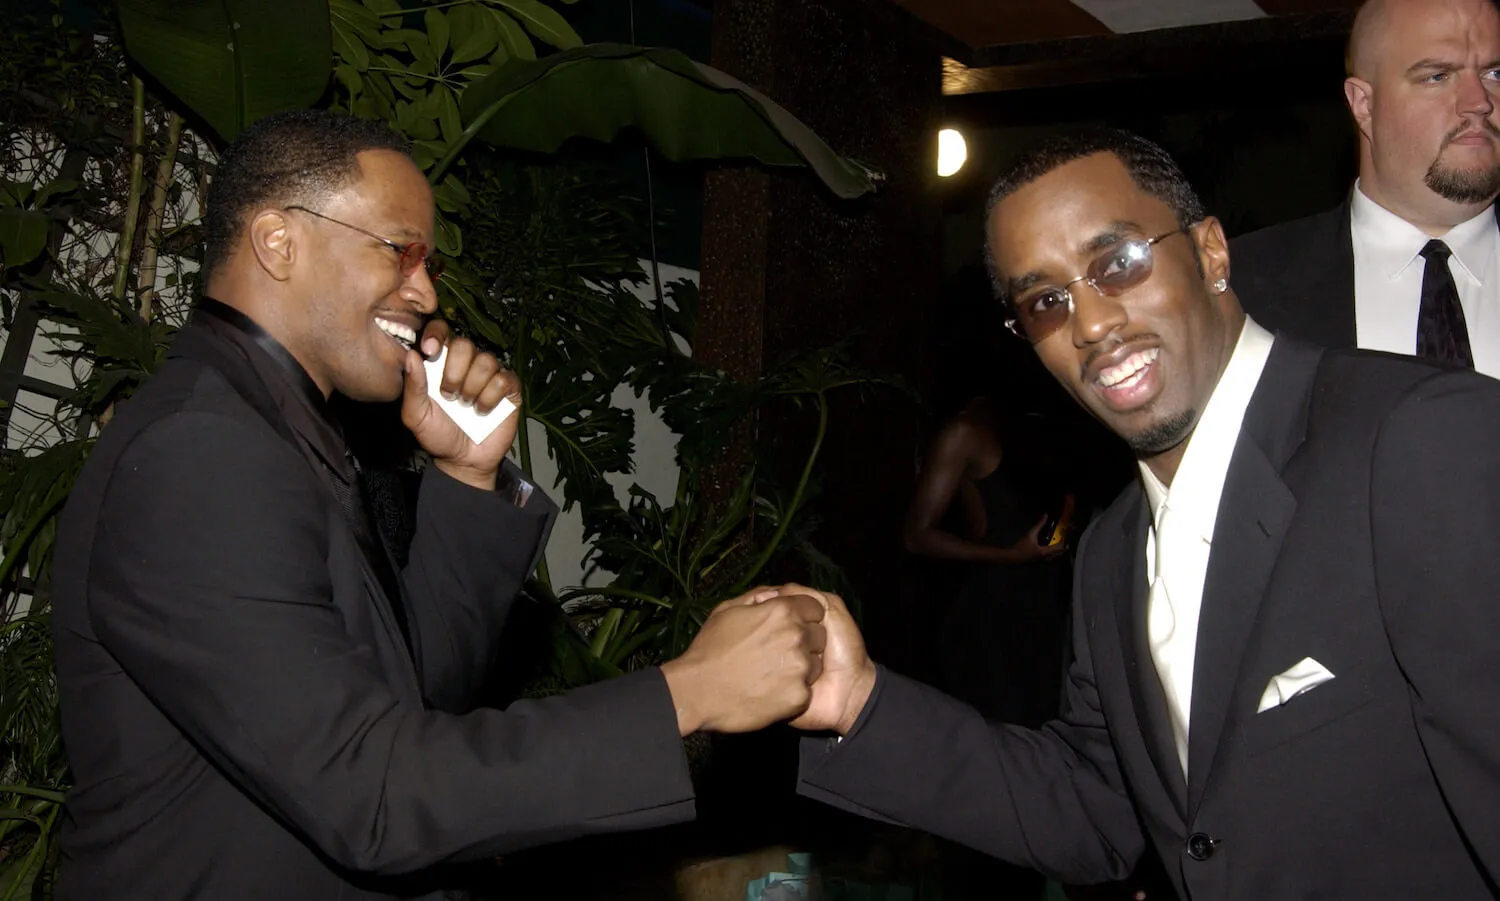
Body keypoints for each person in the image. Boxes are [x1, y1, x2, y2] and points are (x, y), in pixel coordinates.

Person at [49, 110, 829, 901]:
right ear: (279, 243)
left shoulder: (277, 432)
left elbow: (412, 698)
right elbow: (372, 793)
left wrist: (464, 477)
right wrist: (688, 692)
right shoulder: (201, 454)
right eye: (402, 251)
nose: (424, 290)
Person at [786, 128, 1500, 900]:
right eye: (1046, 301)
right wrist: (859, 703)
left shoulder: (1416, 439)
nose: (1090, 324)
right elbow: (1096, 810)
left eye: (1118, 263)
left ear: (1213, 253)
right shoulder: (1110, 551)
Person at [1232, 0, 1500, 377]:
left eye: (1495, 74)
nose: (1479, 102)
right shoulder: (1238, 291)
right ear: (1364, 104)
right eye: (1437, 76)